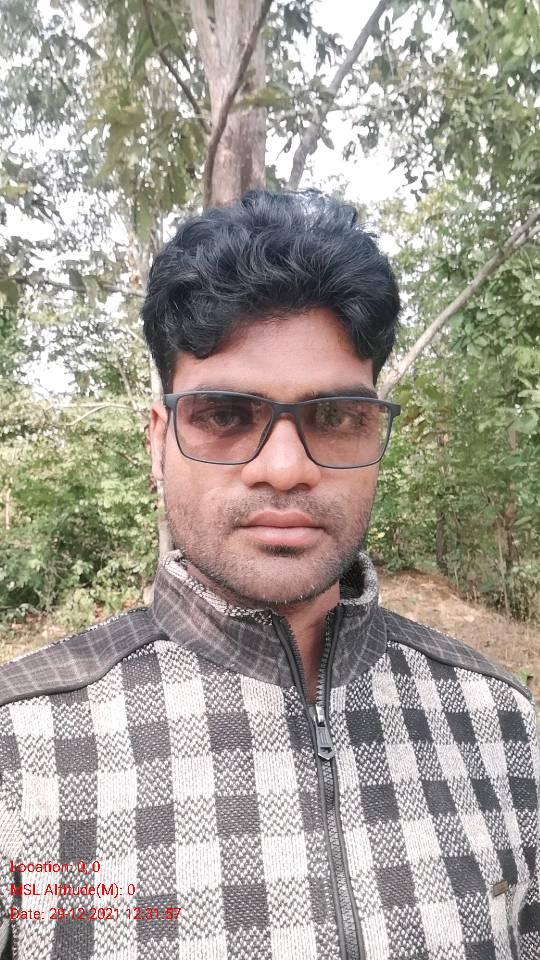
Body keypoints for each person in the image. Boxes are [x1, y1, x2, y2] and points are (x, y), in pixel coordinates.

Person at [0, 189, 538, 960]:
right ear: (158, 442)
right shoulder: (22, 752)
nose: (284, 468)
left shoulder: (502, 726)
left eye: (335, 416)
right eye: (225, 415)